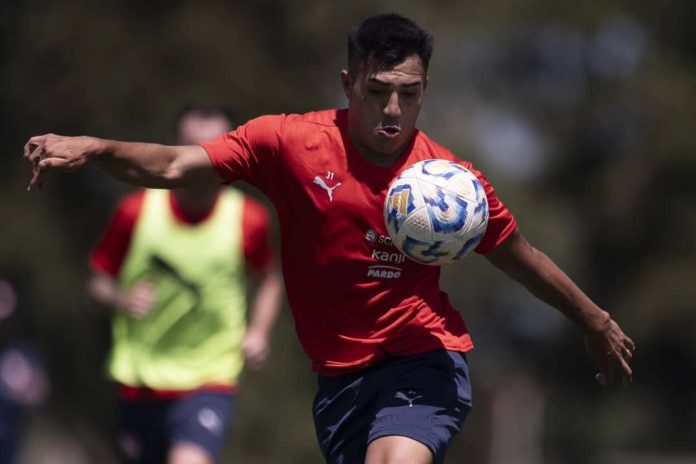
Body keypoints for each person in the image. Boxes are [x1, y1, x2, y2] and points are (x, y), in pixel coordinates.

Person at [23, 14, 635, 464]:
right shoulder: (287, 143)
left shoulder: (451, 187)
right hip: (340, 382)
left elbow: (520, 258)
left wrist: (594, 320)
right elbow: (172, 166)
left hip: (424, 359)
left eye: (410, 93)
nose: (393, 109)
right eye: (377, 91)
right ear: (349, 84)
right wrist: (96, 147)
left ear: (426, 91)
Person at [86, 104, 284, 464]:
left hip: (209, 378)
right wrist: (121, 298)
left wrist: (259, 330)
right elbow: (98, 281)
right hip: (140, 380)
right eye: (193, 147)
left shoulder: (248, 220)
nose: (203, 160)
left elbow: (270, 279)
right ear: (175, 148)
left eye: (214, 148)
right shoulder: (136, 211)